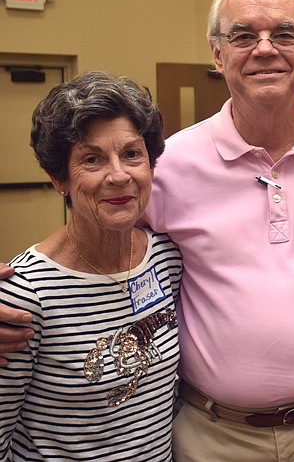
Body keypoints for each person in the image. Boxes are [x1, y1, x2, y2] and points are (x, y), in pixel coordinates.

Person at [1, 0, 294, 462]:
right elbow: (98, 234)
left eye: (284, 33)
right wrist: (20, 286)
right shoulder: (169, 164)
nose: (264, 48)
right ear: (217, 54)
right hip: (211, 436)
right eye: (243, 36)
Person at [0, 71, 182, 460]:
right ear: (58, 178)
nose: (118, 175)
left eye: (132, 154)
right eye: (92, 159)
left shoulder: (167, 259)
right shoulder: (25, 294)